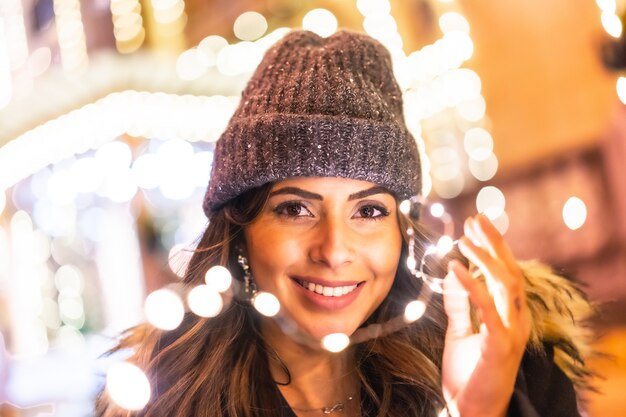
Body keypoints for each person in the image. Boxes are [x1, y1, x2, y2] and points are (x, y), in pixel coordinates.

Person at [96, 30, 593, 417]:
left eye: (369, 211)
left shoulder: (508, 365)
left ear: (402, 232)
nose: (334, 250)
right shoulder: (165, 400)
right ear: (240, 229)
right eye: (295, 208)